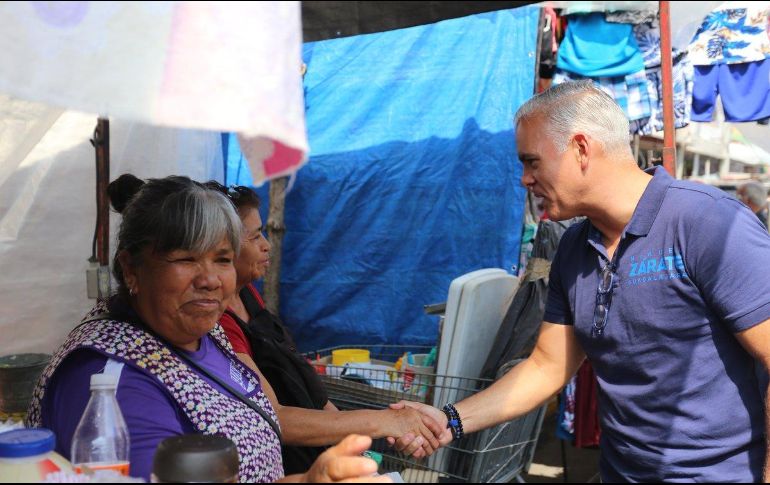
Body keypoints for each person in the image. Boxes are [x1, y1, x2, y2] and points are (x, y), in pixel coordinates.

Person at [391, 80, 770, 482]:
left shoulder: (707, 223)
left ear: (581, 149)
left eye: (532, 161)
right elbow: (546, 367)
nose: (524, 179)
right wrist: (449, 420)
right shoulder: (573, 247)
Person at [26, 175, 391, 483]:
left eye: (223, 259)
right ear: (132, 270)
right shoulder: (110, 381)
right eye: (186, 258)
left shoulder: (202, 333)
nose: (210, 280)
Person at [197, 180, 441, 473]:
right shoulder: (219, 325)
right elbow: (274, 416)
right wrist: (385, 420)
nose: (267, 245)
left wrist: (356, 444)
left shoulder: (248, 296)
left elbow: (313, 393)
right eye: (256, 236)